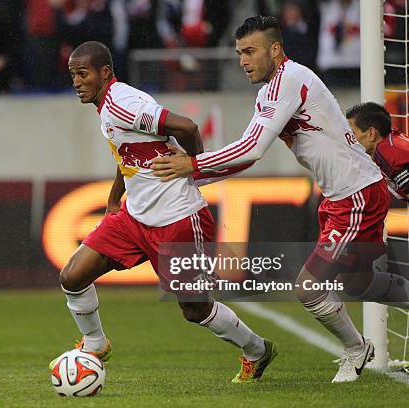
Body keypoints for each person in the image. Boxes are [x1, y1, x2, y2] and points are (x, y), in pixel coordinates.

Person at [151, 16, 407, 383]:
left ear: (274, 49)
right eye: (239, 52)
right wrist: (194, 174)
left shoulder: (288, 81)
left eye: (251, 51)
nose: (243, 60)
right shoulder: (277, 87)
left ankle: (355, 349)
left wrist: (191, 165)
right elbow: (245, 154)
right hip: (342, 196)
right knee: (357, 284)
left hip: (357, 195)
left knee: (309, 287)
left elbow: (250, 150)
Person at [51, 40, 277, 384]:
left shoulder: (122, 104)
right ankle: (96, 344)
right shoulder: (107, 107)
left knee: (195, 309)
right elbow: (128, 154)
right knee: (73, 276)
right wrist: (115, 199)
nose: (77, 82)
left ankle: (257, 350)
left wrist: (194, 167)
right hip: (134, 218)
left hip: (178, 218)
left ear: (105, 72)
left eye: (83, 74)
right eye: (73, 76)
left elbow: (186, 127)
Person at [346, 102, 409, 202]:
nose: (348, 139)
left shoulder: (388, 153)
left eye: (352, 133)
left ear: (371, 133)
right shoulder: (390, 143)